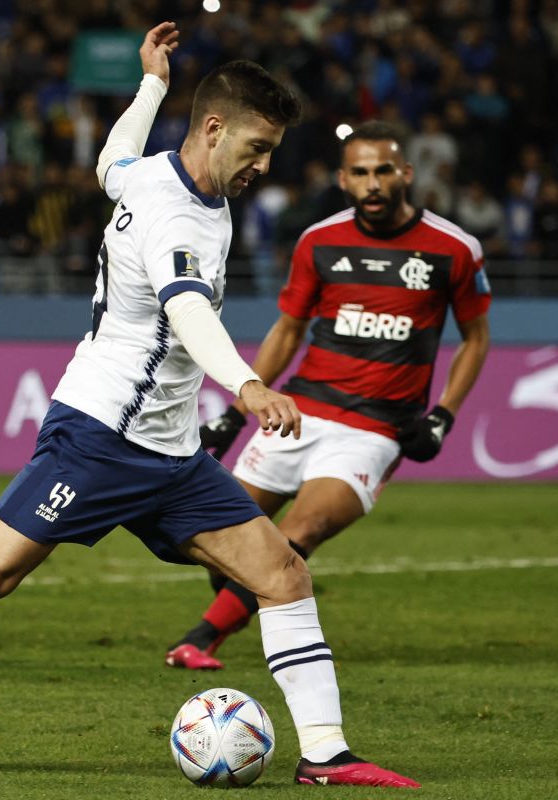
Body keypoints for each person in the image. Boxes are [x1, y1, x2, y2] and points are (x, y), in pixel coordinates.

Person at [0, 25, 418, 789]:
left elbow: (109, 165)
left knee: (283, 575)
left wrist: (150, 85)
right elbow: (190, 311)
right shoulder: (179, 216)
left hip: (171, 455)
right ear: (214, 129)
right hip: (100, 438)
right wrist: (247, 383)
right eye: (257, 146)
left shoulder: (158, 177)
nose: (264, 166)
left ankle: (327, 755)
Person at [166, 119, 491, 671]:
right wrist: (236, 412)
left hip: (376, 428)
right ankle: (239, 600)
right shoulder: (319, 240)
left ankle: (200, 639)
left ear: (405, 174)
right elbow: (288, 330)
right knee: (213, 533)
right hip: (300, 409)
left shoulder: (454, 249)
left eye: (383, 171)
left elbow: (476, 340)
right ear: (343, 178)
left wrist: (442, 417)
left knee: (301, 531)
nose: (372, 183)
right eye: (360, 172)